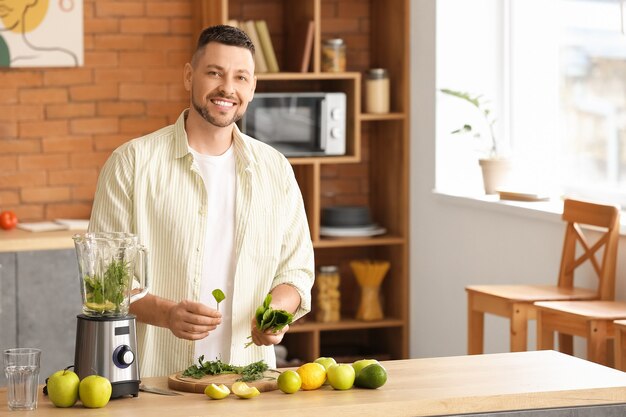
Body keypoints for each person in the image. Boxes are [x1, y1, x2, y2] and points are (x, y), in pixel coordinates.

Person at [88, 25, 315, 378]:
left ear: (252, 88)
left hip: (248, 380)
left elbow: (296, 270)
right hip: (157, 381)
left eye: (241, 77)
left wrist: (277, 313)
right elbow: (103, 280)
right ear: (189, 76)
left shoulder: (276, 169)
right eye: (215, 73)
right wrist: (166, 314)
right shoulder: (131, 163)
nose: (228, 87)